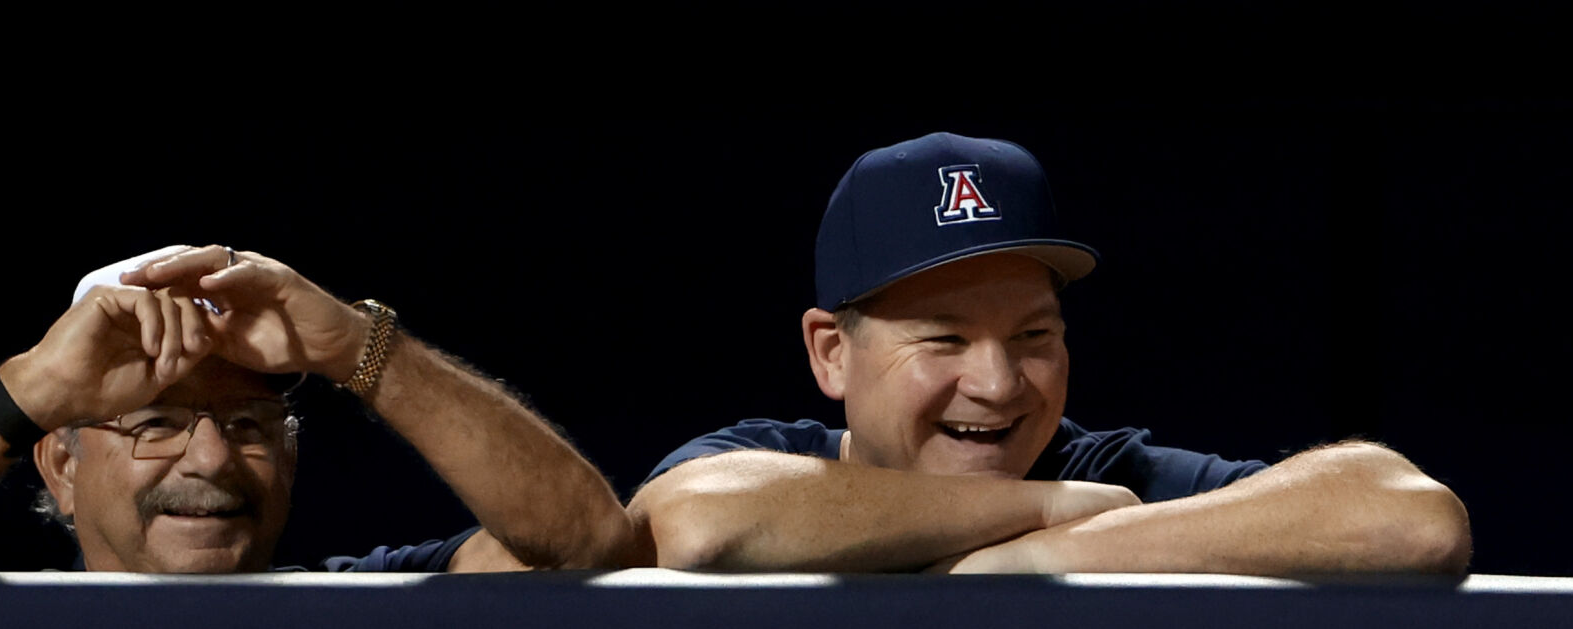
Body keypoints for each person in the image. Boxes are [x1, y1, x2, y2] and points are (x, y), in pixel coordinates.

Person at [629, 132, 1471, 575]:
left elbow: (1407, 516)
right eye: (945, 339)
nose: (997, 385)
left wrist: (1038, 559)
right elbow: (701, 523)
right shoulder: (773, 464)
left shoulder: (1100, 476)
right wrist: (1043, 511)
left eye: (1034, 337)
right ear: (830, 353)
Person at [0, 245, 632, 574]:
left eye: (249, 427)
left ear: (290, 460)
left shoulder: (366, 611)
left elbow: (588, 543)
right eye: (155, 424)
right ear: (61, 466)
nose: (211, 462)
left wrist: (357, 352)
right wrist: (30, 391)